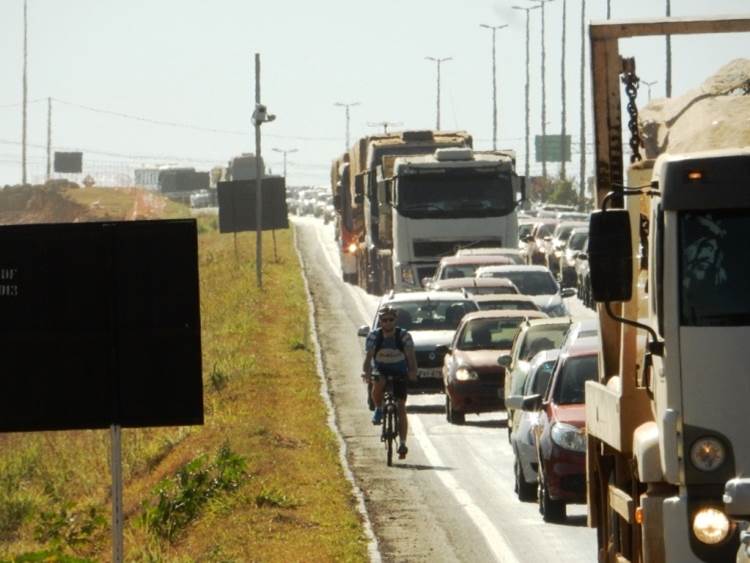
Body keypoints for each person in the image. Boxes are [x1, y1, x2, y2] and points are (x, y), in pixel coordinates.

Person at [361, 306, 418, 459]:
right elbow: (368, 358)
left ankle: (403, 443)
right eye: (384, 320)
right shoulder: (374, 336)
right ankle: (379, 408)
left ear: (395, 320)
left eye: (390, 320)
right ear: (380, 321)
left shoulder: (404, 336)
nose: (387, 323)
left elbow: (411, 357)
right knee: (378, 382)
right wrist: (366, 372)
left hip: (399, 371)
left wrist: (413, 372)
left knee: (401, 406)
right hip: (381, 369)